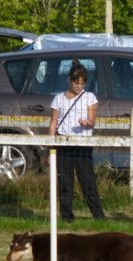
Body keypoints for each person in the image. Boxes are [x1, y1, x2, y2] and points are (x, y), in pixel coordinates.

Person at [49, 59, 105, 222]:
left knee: (88, 182)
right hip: (63, 144)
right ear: (69, 80)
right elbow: (53, 123)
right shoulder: (58, 99)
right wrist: (50, 146)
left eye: (82, 83)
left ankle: (99, 217)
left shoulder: (89, 97)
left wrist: (88, 123)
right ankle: (67, 216)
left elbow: (92, 119)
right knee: (65, 182)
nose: (79, 87)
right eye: (76, 83)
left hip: (82, 144)